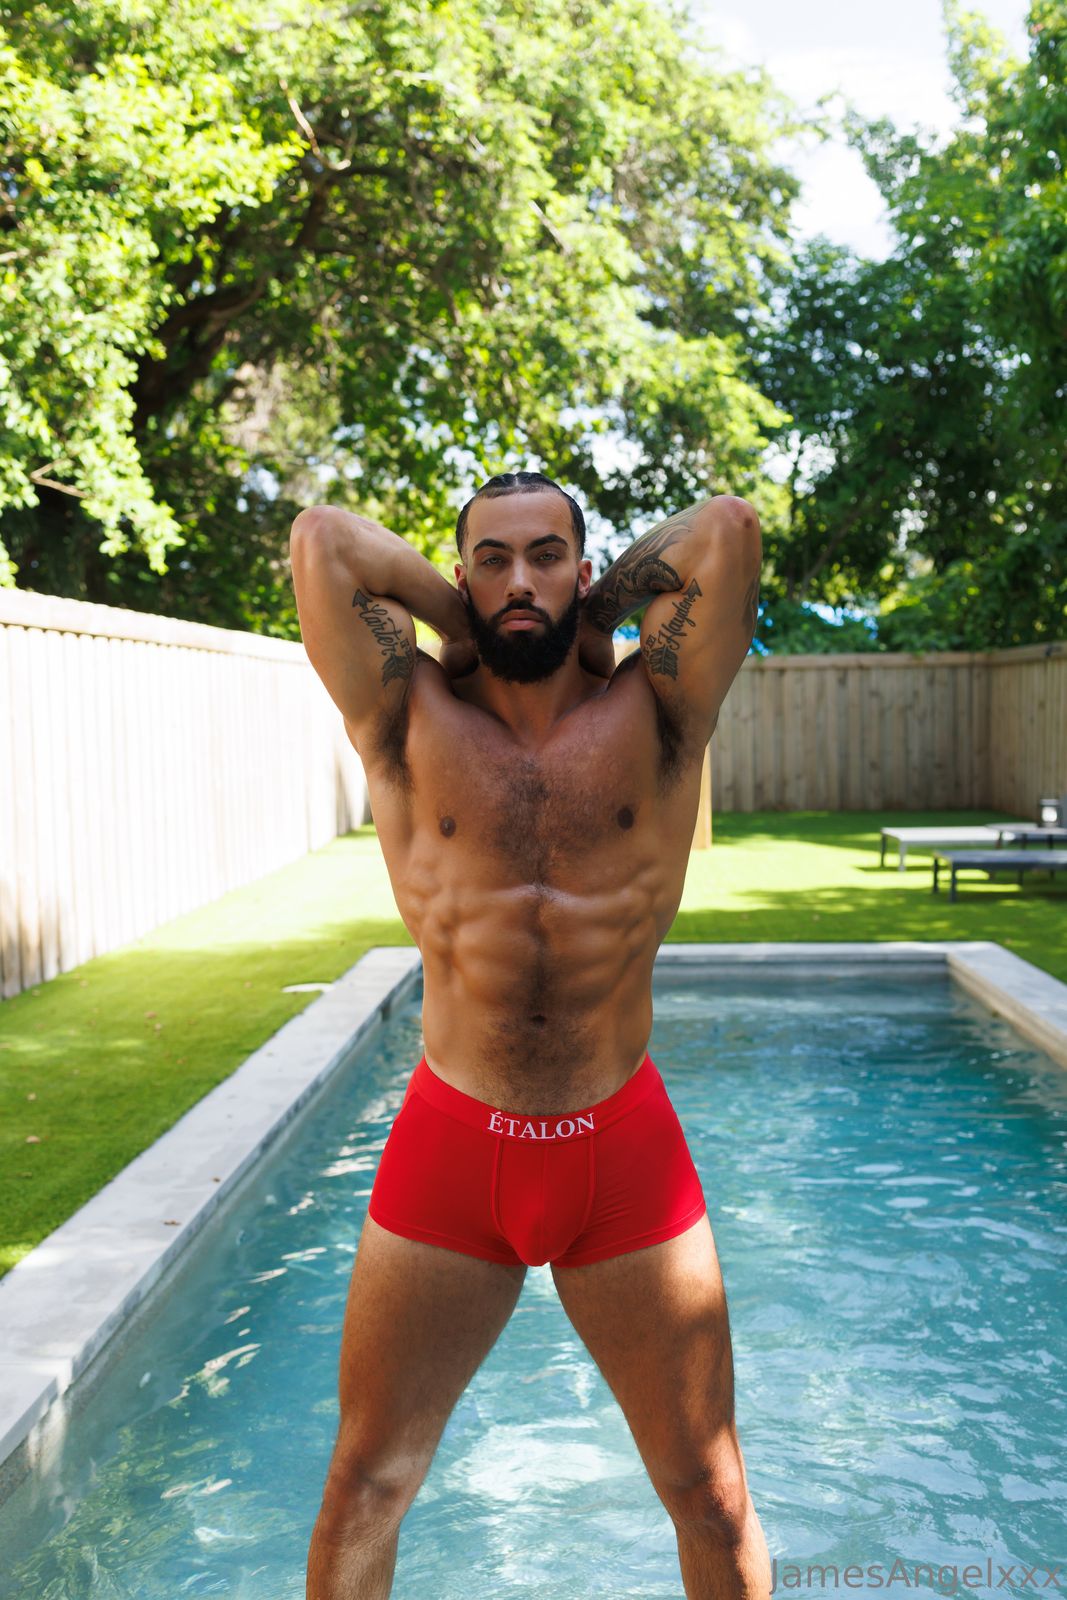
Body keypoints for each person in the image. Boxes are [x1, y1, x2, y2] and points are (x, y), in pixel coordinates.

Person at [289, 471, 770, 1599]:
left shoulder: (657, 708)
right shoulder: (406, 713)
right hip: (453, 1143)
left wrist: (593, 614)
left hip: (619, 1143)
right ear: (460, 576)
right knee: (364, 1485)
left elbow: (728, 530)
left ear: (582, 570)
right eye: (492, 560)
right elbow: (322, 541)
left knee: (709, 1492)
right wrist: (462, 622)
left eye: (545, 556)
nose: (520, 580)